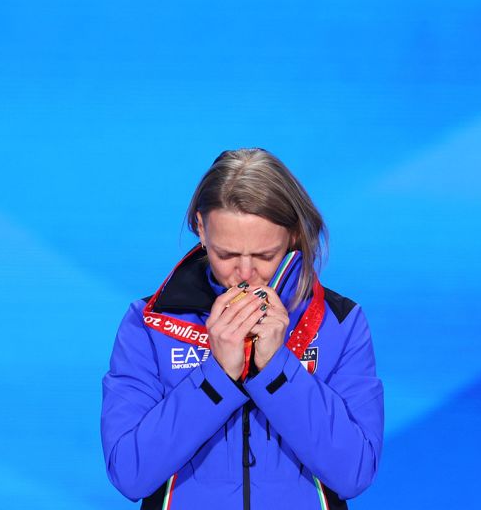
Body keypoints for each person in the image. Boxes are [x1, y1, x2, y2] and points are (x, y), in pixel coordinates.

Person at [101, 149, 384, 509]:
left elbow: (354, 472)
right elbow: (130, 473)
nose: (246, 273)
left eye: (265, 256)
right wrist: (216, 376)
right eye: (227, 255)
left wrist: (277, 369)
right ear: (201, 229)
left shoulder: (340, 322)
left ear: (294, 235)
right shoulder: (149, 323)